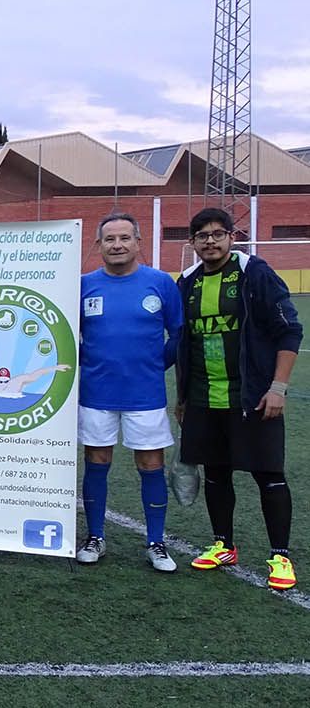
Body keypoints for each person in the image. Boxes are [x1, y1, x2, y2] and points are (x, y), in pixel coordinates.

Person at [176, 207, 301, 591]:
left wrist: (277, 388)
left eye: (217, 233)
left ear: (232, 236)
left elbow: (289, 332)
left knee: (268, 474)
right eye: (202, 235)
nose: (210, 241)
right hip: (203, 396)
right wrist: (182, 398)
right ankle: (223, 544)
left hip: (252, 396)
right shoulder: (188, 282)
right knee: (215, 472)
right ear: (193, 243)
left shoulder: (254, 273)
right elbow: (185, 343)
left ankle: (280, 555)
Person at [70, 214, 182, 570]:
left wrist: (153, 366)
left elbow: (178, 337)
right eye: (109, 239)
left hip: (145, 394)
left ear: (138, 242)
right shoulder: (83, 285)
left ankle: (156, 542)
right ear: (99, 245)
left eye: (124, 238)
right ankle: (95, 536)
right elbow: (69, 337)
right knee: (97, 461)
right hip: (96, 393)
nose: (117, 245)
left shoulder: (161, 283)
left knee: (151, 464)